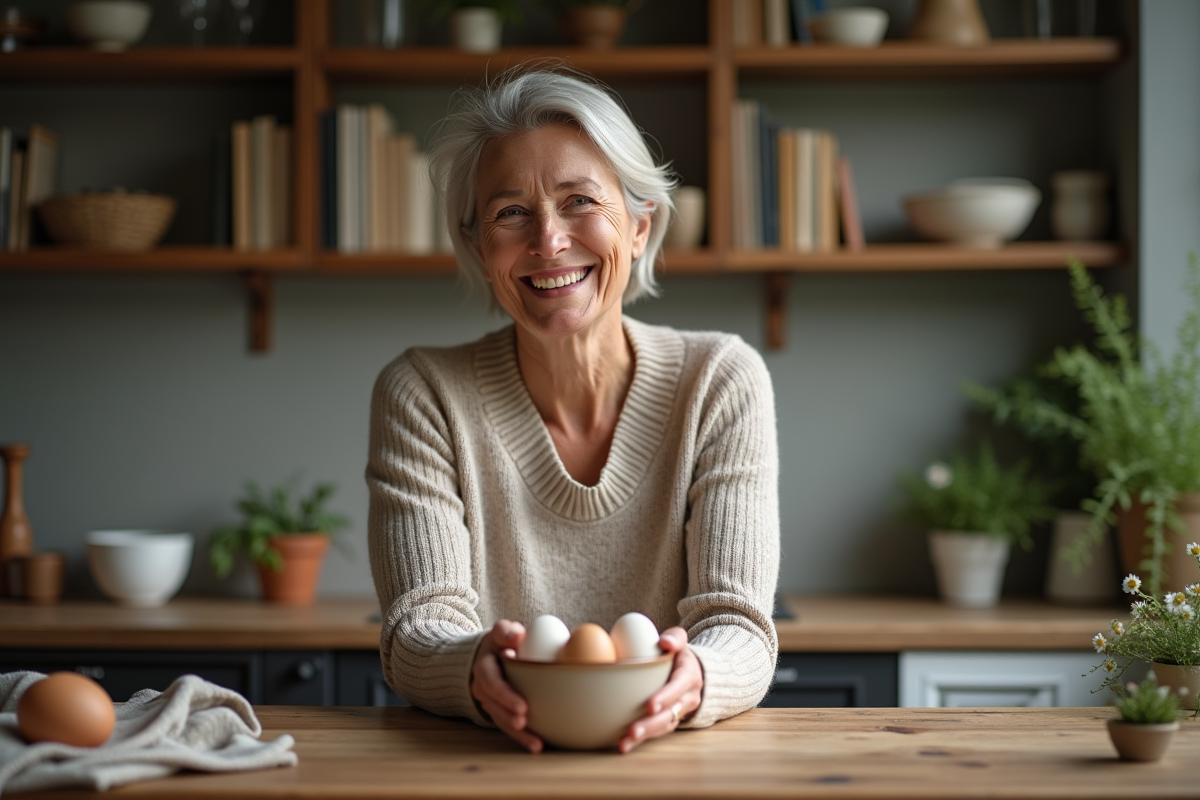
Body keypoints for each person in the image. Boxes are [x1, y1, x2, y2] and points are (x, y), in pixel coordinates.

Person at [366, 67, 779, 754]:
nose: (549, 241)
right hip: (490, 767)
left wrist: (700, 675)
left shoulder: (719, 381)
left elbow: (735, 622)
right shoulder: (423, 394)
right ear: (478, 246)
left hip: (672, 766)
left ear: (641, 226)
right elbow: (418, 628)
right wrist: (471, 669)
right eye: (510, 213)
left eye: (579, 200)